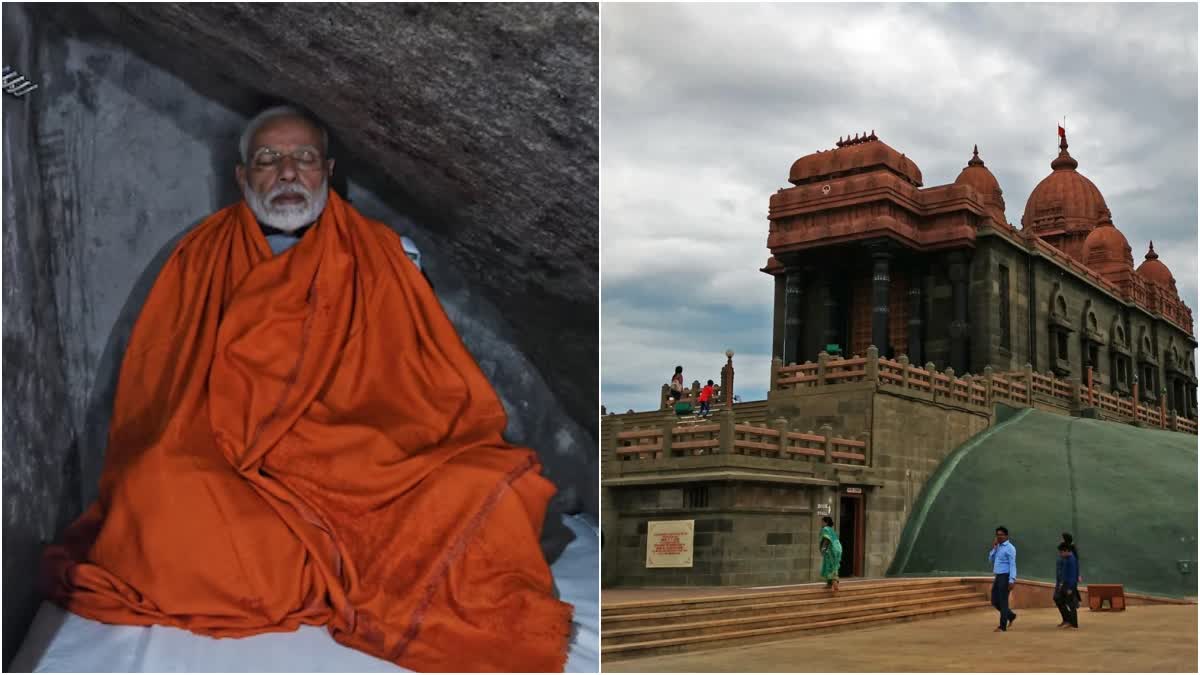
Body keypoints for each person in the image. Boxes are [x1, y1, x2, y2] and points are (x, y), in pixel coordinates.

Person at [40, 106, 571, 672]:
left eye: (304, 159)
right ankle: (336, 565)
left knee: (486, 485)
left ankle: (313, 565)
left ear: (328, 171)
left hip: (362, 451)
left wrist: (354, 441)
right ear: (243, 177)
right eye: (269, 159)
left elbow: (419, 378)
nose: (288, 173)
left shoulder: (384, 253)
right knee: (158, 486)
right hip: (228, 450)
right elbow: (168, 382)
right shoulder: (199, 256)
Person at [988, 526, 1018, 632]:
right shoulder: (998, 546)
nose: (999, 537)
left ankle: (1002, 626)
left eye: (1001, 535)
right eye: (997, 535)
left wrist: (1012, 580)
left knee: (1003, 601)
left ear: (1006, 536)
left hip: (1005, 577)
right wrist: (994, 548)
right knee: (994, 601)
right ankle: (1010, 615)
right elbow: (990, 559)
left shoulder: (1010, 548)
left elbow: (1012, 565)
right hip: (998, 576)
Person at [1054, 542, 1080, 629]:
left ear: (1066, 551)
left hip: (1069, 585)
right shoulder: (1067, 559)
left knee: (1071, 604)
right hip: (1064, 584)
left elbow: (1073, 576)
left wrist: (1070, 588)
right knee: (1058, 599)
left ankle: (1073, 623)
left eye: (1061, 552)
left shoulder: (1071, 560)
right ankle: (1068, 620)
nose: (1060, 554)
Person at [819, 515, 842, 592]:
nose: (821, 523)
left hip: (831, 549)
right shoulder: (831, 529)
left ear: (826, 522)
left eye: (822, 522)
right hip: (837, 548)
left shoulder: (825, 529)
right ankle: (829, 584)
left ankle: (834, 583)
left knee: (830, 566)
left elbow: (826, 539)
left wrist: (823, 548)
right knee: (833, 565)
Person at [1061, 531, 1083, 604]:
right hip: (1071, 573)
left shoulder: (1071, 549)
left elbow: (1076, 562)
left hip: (1072, 573)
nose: (1061, 540)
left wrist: (1078, 574)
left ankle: (1075, 602)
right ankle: (1076, 602)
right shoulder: (1067, 548)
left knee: (1072, 588)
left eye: (1062, 539)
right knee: (1072, 588)